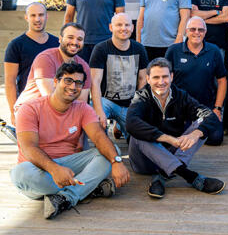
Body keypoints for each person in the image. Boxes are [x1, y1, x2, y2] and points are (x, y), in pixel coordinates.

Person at [10, 62, 130, 219]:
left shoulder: (83, 108)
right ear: (55, 81)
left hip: (71, 164)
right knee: (20, 174)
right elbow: (28, 147)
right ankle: (89, 188)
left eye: (78, 83)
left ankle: (66, 197)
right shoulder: (30, 108)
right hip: (39, 168)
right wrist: (54, 169)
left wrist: (116, 162)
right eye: (68, 80)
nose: (73, 87)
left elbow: (99, 137)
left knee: (111, 151)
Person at [126, 58, 226, 198]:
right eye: (156, 77)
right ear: (148, 79)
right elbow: (130, 122)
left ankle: (162, 176)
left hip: (172, 154)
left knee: (202, 125)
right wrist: (168, 139)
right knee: (138, 133)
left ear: (171, 77)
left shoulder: (180, 96)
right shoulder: (141, 97)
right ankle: (190, 176)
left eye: (165, 76)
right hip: (145, 162)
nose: (161, 82)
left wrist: (195, 134)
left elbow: (211, 116)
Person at [164, 17, 226, 146]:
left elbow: (222, 80)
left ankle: (194, 132)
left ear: (205, 32)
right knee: (173, 134)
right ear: (186, 31)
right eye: (193, 29)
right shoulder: (173, 50)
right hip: (179, 106)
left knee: (216, 138)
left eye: (200, 30)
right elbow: (165, 79)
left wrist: (217, 108)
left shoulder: (214, 51)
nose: (197, 32)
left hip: (205, 106)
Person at [89, 13, 149, 141]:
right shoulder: (100, 49)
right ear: (111, 27)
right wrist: (99, 111)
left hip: (130, 104)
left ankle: (120, 126)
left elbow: (143, 79)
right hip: (107, 102)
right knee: (96, 121)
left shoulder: (139, 49)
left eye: (127, 25)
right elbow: (95, 82)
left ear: (132, 28)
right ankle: (104, 151)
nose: (124, 28)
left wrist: (138, 107)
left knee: (137, 141)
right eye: (119, 25)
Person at [14, 23, 91, 110]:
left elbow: (81, 103)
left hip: (60, 113)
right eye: (70, 37)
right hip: (30, 109)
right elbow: (50, 99)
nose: (75, 42)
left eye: (80, 39)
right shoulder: (46, 59)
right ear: (60, 39)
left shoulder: (84, 66)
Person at [4, 2, 59, 125]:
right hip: (28, 105)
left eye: (41, 15)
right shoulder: (16, 45)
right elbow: (10, 81)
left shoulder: (57, 43)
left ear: (47, 16)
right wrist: (13, 112)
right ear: (26, 17)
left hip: (54, 104)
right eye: (33, 15)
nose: (37, 19)